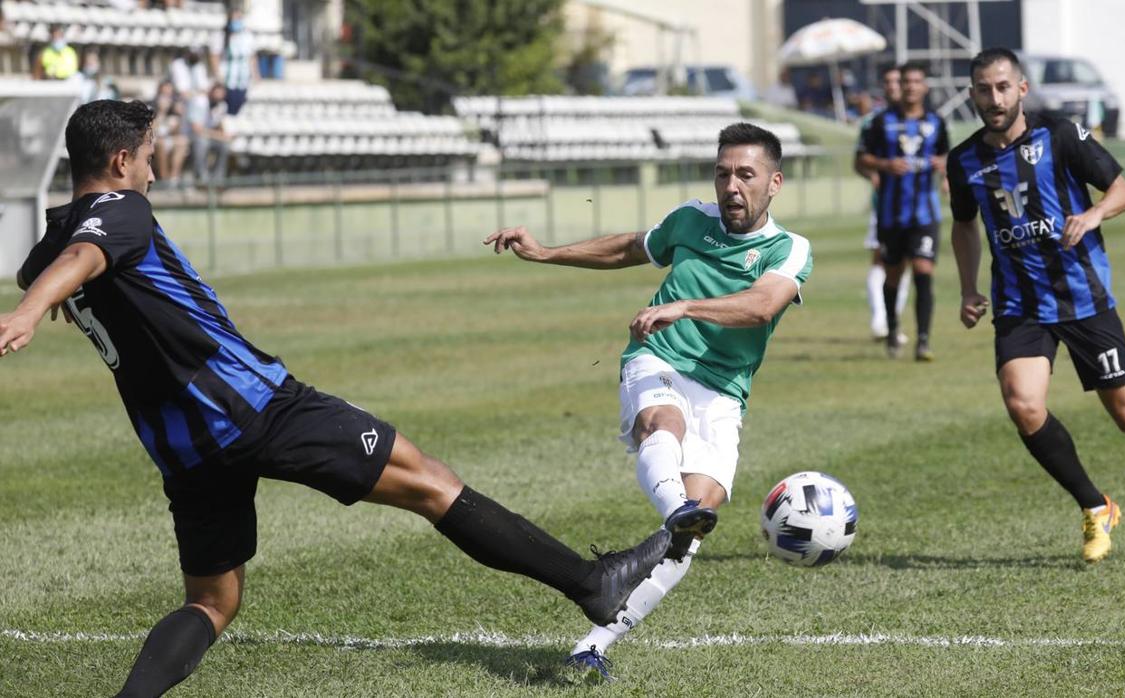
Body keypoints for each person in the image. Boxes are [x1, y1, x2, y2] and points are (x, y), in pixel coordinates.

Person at [0, 99, 670, 697]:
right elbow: (82, 260)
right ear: (119, 161)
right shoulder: (121, 212)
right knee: (430, 482)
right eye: (147, 158)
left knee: (211, 600)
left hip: (184, 448)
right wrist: (33, 311)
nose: (154, 173)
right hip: (257, 407)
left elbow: (56, 264)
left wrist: (51, 295)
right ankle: (592, 584)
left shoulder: (56, 234)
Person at [485, 122, 812, 681]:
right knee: (662, 426)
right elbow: (628, 248)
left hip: (724, 393)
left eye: (745, 175)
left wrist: (685, 306)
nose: (731, 186)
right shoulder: (690, 219)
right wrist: (544, 253)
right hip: (656, 357)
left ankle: (593, 645)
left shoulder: (789, 248)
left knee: (687, 542)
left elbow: (761, 305)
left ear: (774, 183)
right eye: (722, 173)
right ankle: (676, 511)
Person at [946, 48, 1125, 563]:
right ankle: (1095, 507)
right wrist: (968, 288)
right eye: (984, 89)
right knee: (1023, 404)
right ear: (972, 95)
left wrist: (1095, 213)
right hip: (1019, 304)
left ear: (1022, 89)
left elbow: (1123, 190)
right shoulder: (963, 159)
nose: (994, 98)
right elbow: (964, 225)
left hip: (1083, 299)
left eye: (1003, 87)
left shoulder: (1059, 135)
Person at [856, 62, 949, 360]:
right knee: (893, 274)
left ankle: (923, 340)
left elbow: (947, 155)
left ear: (924, 86)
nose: (910, 86)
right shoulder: (882, 122)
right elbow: (861, 160)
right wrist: (884, 165)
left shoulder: (937, 122)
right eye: (906, 81)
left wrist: (944, 166)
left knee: (923, 270)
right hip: (890, 214)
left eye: (916, 81)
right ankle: (893, 331)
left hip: (925, 214)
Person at [853, 65, 909, 343]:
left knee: (905, 263)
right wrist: (873, 173)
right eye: (887, 81)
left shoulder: (922, 120)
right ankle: (880, 319)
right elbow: (859, 163)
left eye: (897, 81)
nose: (892, 86)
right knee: (881, 259)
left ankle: (892, 321)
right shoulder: (872, 123)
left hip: (915, 206)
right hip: (884, 205)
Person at [211, 8, 258, 115]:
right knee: (225, 107)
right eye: (235, 18)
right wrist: (217, 75)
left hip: (243, 79)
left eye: (239, 18)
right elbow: (215, 56)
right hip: (227, 79)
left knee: (239, 106)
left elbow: (252, 56)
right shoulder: (221, 35)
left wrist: (256, 75)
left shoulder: (247, 36)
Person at [188, 83, 231, 187]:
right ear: (211, 92)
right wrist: (219, 135)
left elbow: (218, 125)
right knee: (202, 142)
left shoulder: (221, 105)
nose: (219, 97)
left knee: (225, 145)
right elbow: (196, 129)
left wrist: (226, 134)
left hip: (208, 136)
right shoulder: (199, 102)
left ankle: (218, 179)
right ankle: (203, 178)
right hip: (191, 136)